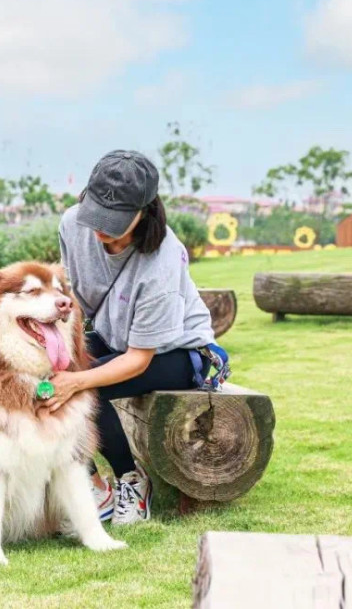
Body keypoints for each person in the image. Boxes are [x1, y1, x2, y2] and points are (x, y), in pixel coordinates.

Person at [40, 150, 217, 525]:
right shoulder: (73, 225)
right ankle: (92, 485)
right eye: (95, 213)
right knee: (43, 382)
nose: (99, 227)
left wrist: (78, 378)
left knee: (84, 389)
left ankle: (130, 481)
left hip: (177, 352)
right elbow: (77, 300)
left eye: (113, 219)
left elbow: (139, 359)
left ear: (144, 211)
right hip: (114, 334)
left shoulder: (163, 261)